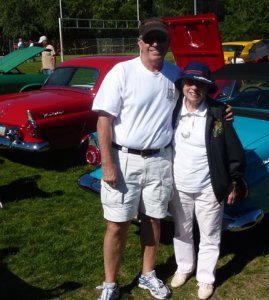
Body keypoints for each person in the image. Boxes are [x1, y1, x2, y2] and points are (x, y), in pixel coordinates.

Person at [92, 18, 181, 300]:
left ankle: (147, 275)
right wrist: (107, 163)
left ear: (168, 43)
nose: (156, 44)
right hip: (123, 159)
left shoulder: (175, 74)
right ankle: (110, 283)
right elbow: (104, 121)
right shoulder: (122, 72)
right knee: (117, 224)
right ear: (140, 42)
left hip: (160, 159)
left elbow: (198, 100)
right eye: (150, 38)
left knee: (154, 220)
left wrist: (222, 111)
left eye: (161, 39)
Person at [169, 62, 246, 300]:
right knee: (181, 230)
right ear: (182, 84)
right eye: (190, 82)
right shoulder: (171, 110)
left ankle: (205, 278)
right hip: (179, 184)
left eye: (201, 84)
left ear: (207, 88)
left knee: (210, 235)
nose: (194, 88)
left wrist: (235, 180)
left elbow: (234, 150)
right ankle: (184, 268)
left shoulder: (218, 113)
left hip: (209, 187)